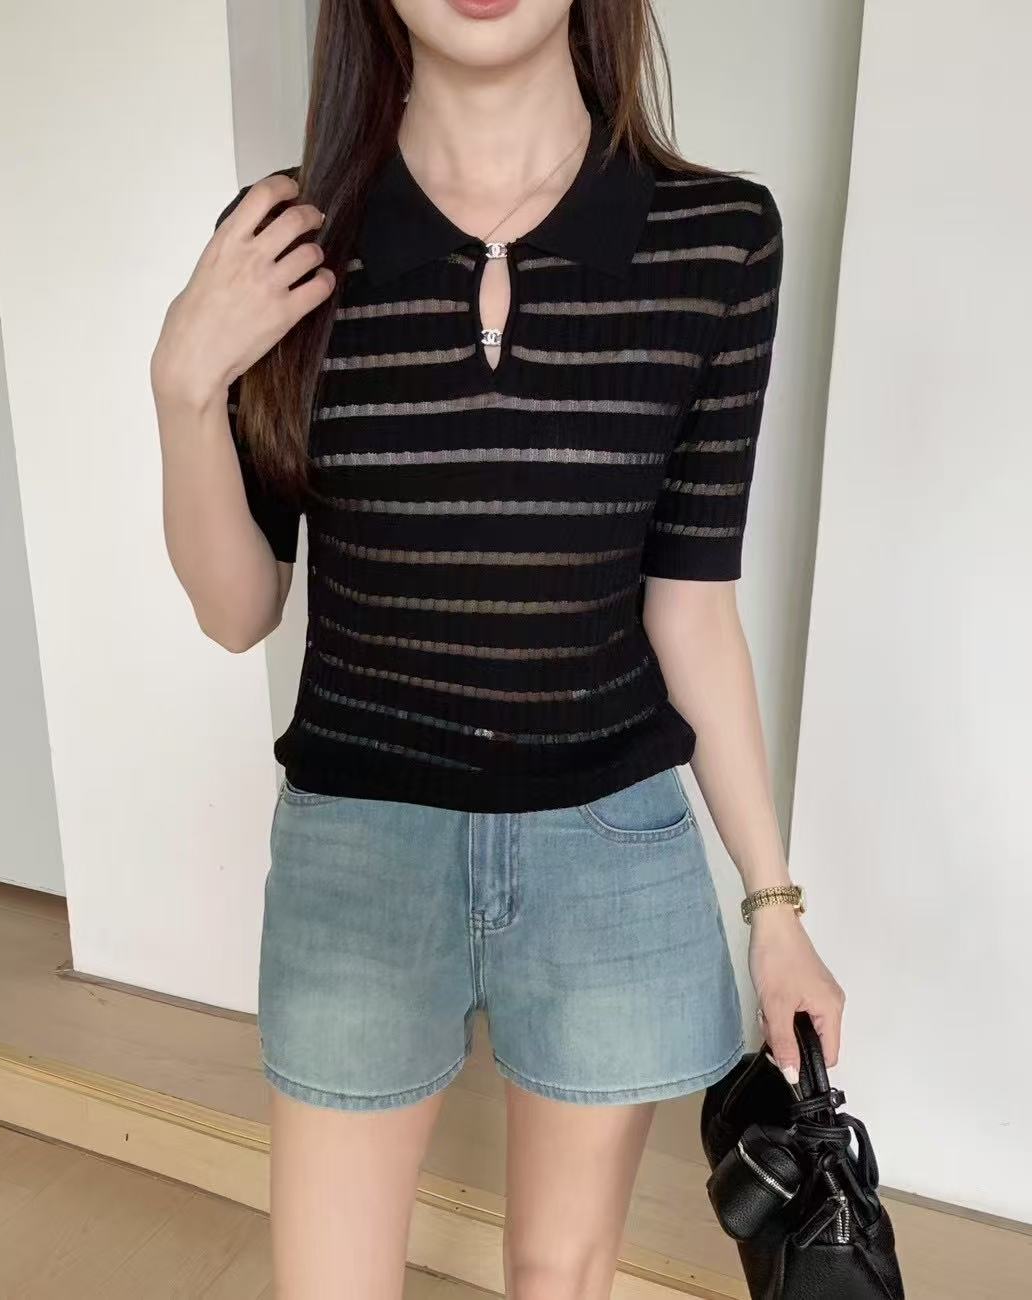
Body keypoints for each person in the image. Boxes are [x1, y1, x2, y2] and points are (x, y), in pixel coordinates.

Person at [150, 1, 845, 1295]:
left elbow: (690, 604)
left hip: (609, 839)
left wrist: (775, 909)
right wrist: (183, 390)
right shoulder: (286, 235)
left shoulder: (716, 239)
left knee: (560, 1275)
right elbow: (239, 610)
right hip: (360, 840)